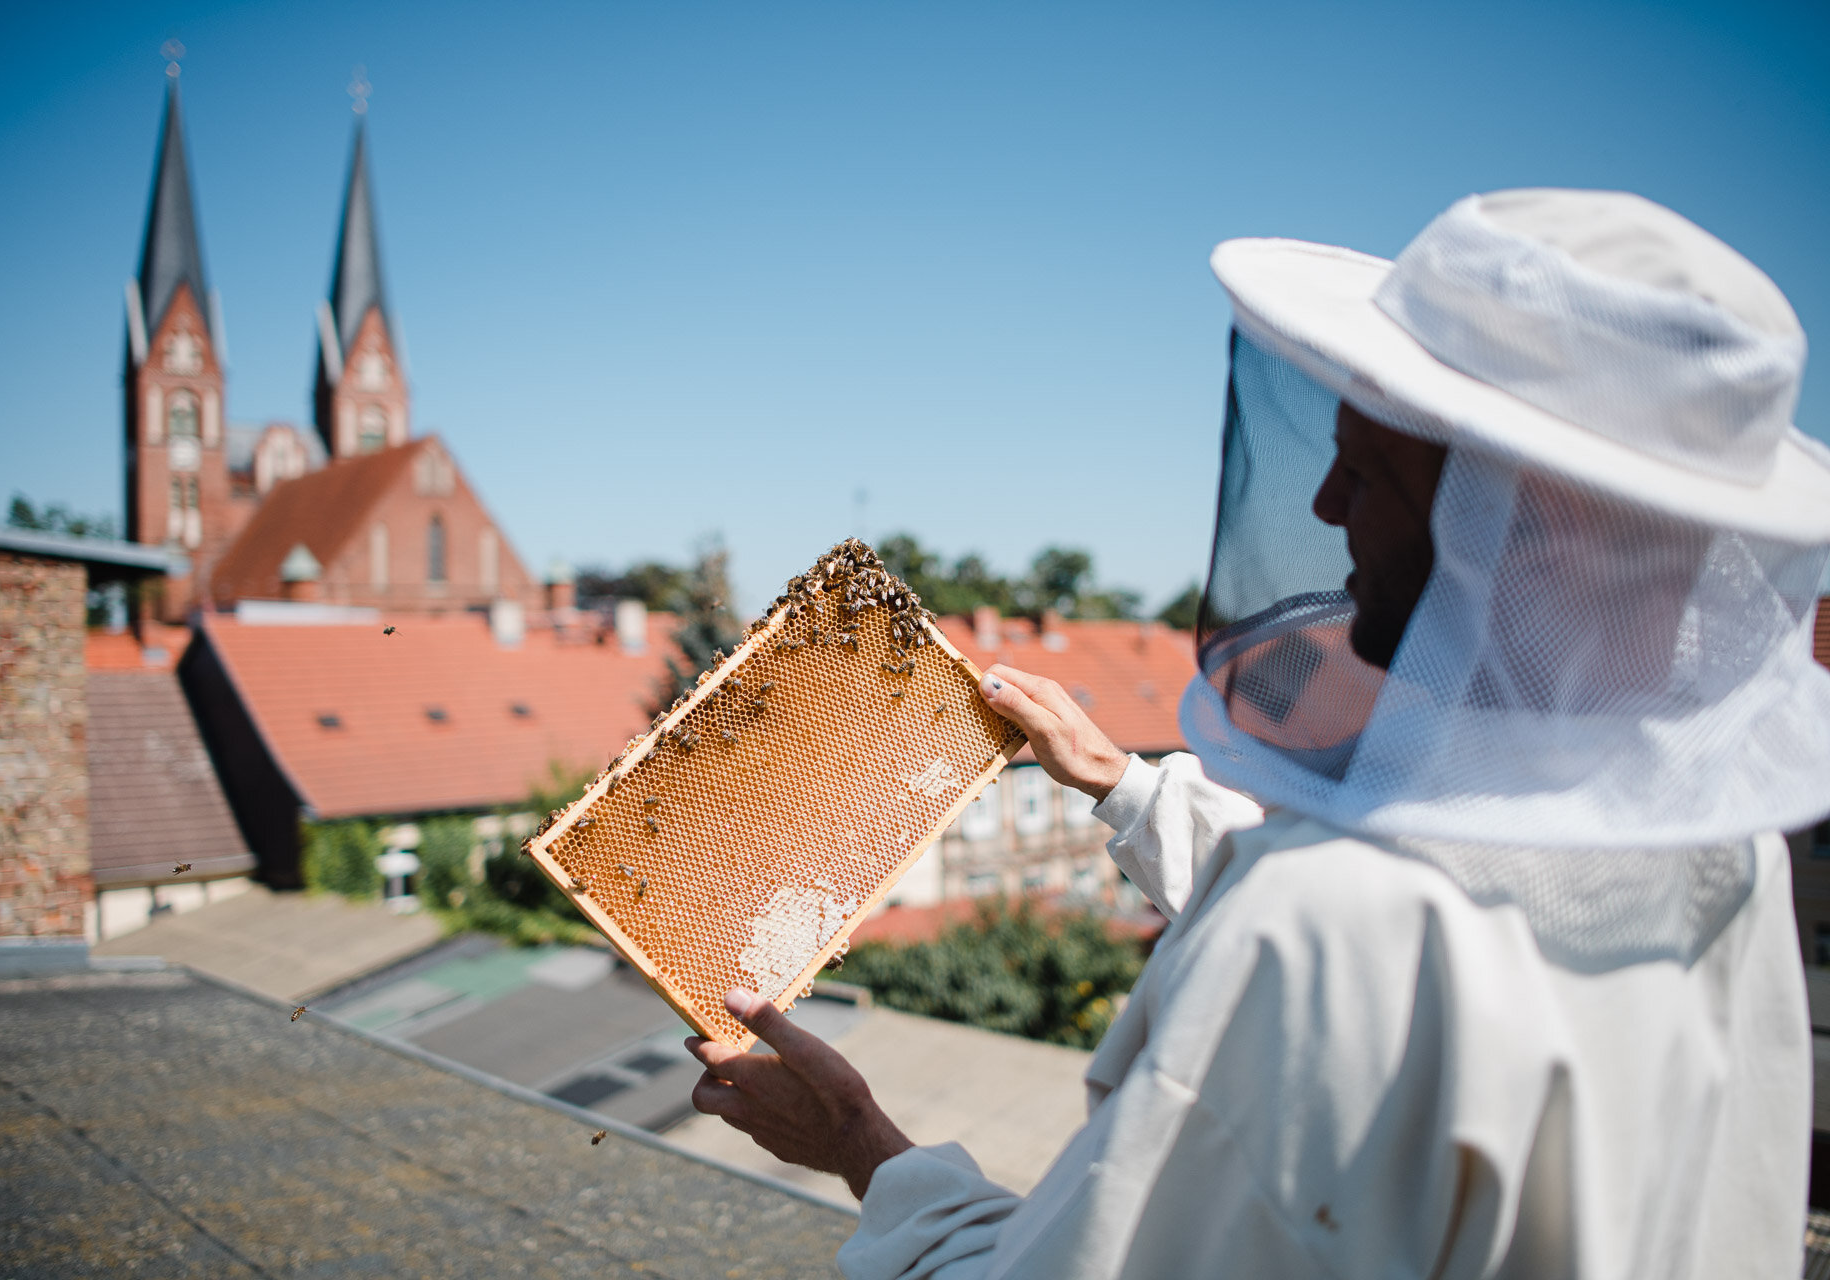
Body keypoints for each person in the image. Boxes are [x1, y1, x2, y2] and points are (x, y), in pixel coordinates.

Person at [687, 190, 1830, 1277]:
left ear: (1536, 530)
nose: (1326, 503)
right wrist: (1123, 784)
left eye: (1370, 468)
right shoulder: (1719, 854)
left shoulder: (1326, 926)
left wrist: (858, 1139)